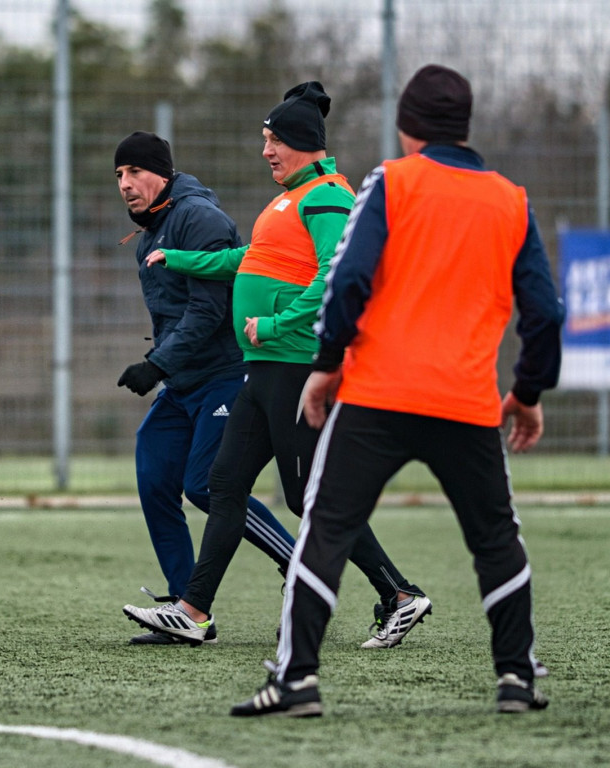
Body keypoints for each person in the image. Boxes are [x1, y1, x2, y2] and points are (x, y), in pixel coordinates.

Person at [230, 64, 564, 718]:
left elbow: (349, 279)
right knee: (495, 538)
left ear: (407, 128)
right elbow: (544, 312)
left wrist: (327, 364)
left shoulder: (392, 182)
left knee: (325, 527)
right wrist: (526, 392)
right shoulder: (511, 200)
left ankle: (295, 680)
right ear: (463, 126)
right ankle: (516, 677)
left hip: (377, 395)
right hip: (466, 402)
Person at [124, 82, 429, 649]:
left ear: (304, 144)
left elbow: (336, 277)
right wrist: (184, 257)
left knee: (305, 496)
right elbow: (250, 259)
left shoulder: (329, 197)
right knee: (223, 484)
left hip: (292, 364)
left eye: (275, 140)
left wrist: (278, 323)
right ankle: (193, 611)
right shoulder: (287, 198)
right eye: (264, 139)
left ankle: (400, 595)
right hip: (261, 371)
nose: (266, 150)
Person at [113, 130, 297, 645]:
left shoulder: (199, 218)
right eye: (119, 176)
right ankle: (183, 606)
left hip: (224, 375)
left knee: (206, 486)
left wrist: (156, 363)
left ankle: (299, 565)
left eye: (135, 172)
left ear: (163, 173)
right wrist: (165, 367)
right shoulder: (149, 230)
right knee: (153, 473)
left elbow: (209, 308)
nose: (126, 185)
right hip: (184, 381)